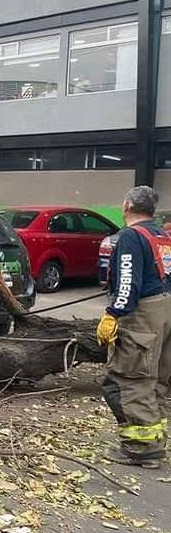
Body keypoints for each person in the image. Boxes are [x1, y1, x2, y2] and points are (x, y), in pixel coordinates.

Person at [98, 186, 171, 468]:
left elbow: (128, 281)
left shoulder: (130, 236)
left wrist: (114, 313)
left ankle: (141, 448)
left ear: (127, 205)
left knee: (130, 379)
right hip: (164, 309)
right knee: (157, 380)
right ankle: (155, 440)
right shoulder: (160, 235)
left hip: (143, 316)